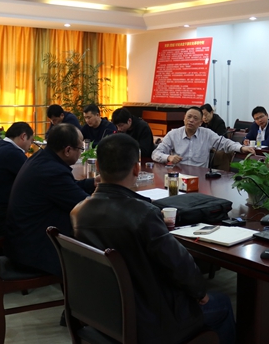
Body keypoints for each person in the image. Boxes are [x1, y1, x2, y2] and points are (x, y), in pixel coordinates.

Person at [71, 133, 236, 344]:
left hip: (102, 311)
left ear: (98, 167)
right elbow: (179, 263)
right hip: (151, 320)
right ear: (136, 168)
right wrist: (199, 292)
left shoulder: (78, 212)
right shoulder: (143, 214)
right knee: (222, 303)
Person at [5, 123, 95, 276]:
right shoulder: (53, 171)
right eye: (80, 149)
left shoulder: (42, 158)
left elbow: (67, 188)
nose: (81, 153)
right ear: (67, 150)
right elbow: (86, 208)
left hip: (23, 240)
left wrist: (92, 183)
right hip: (35, 251)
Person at [0, 122, 34, 237]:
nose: (30, 145)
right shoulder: (12, 153)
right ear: (23, 136)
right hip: (3, 217)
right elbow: (33, 177)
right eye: (31, 141)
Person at [152, 107, 255, 167]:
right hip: (178, 174)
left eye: (195, 118)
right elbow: (155, 153)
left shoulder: (207, 134)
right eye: (189, 117)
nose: (191, 120)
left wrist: (241, 148)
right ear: (184, 119)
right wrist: (169, 157)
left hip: (200, 176)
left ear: (201, 122)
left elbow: (225, 143)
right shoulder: (173, 134)